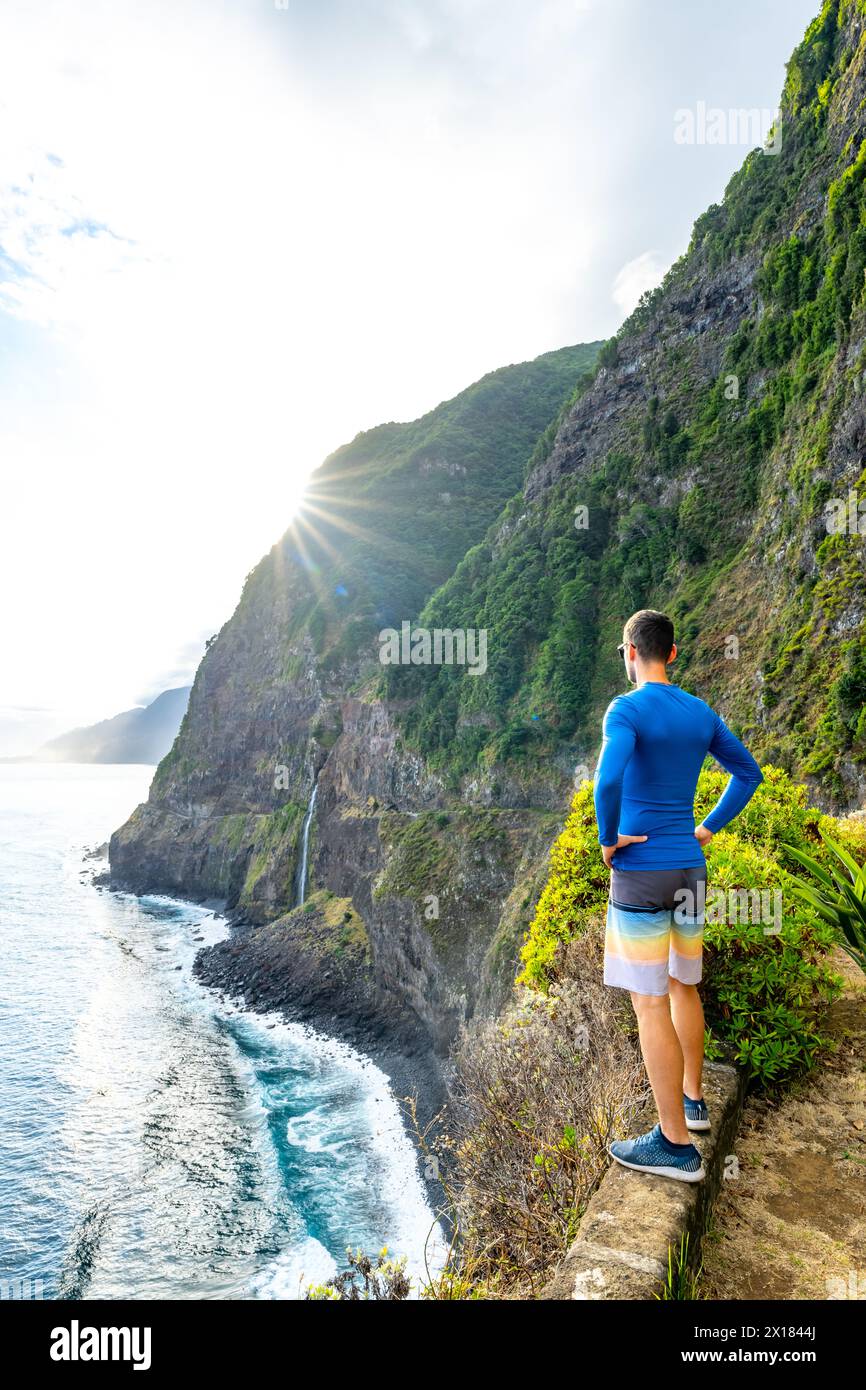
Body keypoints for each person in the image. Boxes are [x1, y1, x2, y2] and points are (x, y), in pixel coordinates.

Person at [593, 609, 763, 1182]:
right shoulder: (700, 712)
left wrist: (608, 840)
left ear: (630, 652)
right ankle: (693, 1101)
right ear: (672, 652)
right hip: (690, 867)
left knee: (648, 1003)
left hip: (641, 871)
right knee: (683, 984)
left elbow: (608, 780)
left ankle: (673, 1143)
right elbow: (748, 773)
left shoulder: (628, 709)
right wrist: (707, 828)